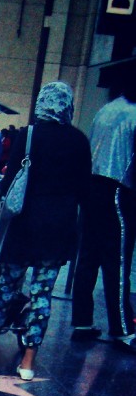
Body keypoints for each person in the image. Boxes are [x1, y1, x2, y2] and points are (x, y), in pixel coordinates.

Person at [0, 81, 91, 379]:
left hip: (23, 226)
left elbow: (10, 182)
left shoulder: (29, 135)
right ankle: (28, 363)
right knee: (42, 295)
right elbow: (84, 189)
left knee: (7, 287)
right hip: (59, 229)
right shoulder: (79, 141)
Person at [71, 75, 136, 354]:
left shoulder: (106, 110)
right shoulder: (134, 113)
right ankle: (122, 328)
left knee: (88, 257)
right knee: (118, 262)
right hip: (119, 190)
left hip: (91, 186)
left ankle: (82, 321)